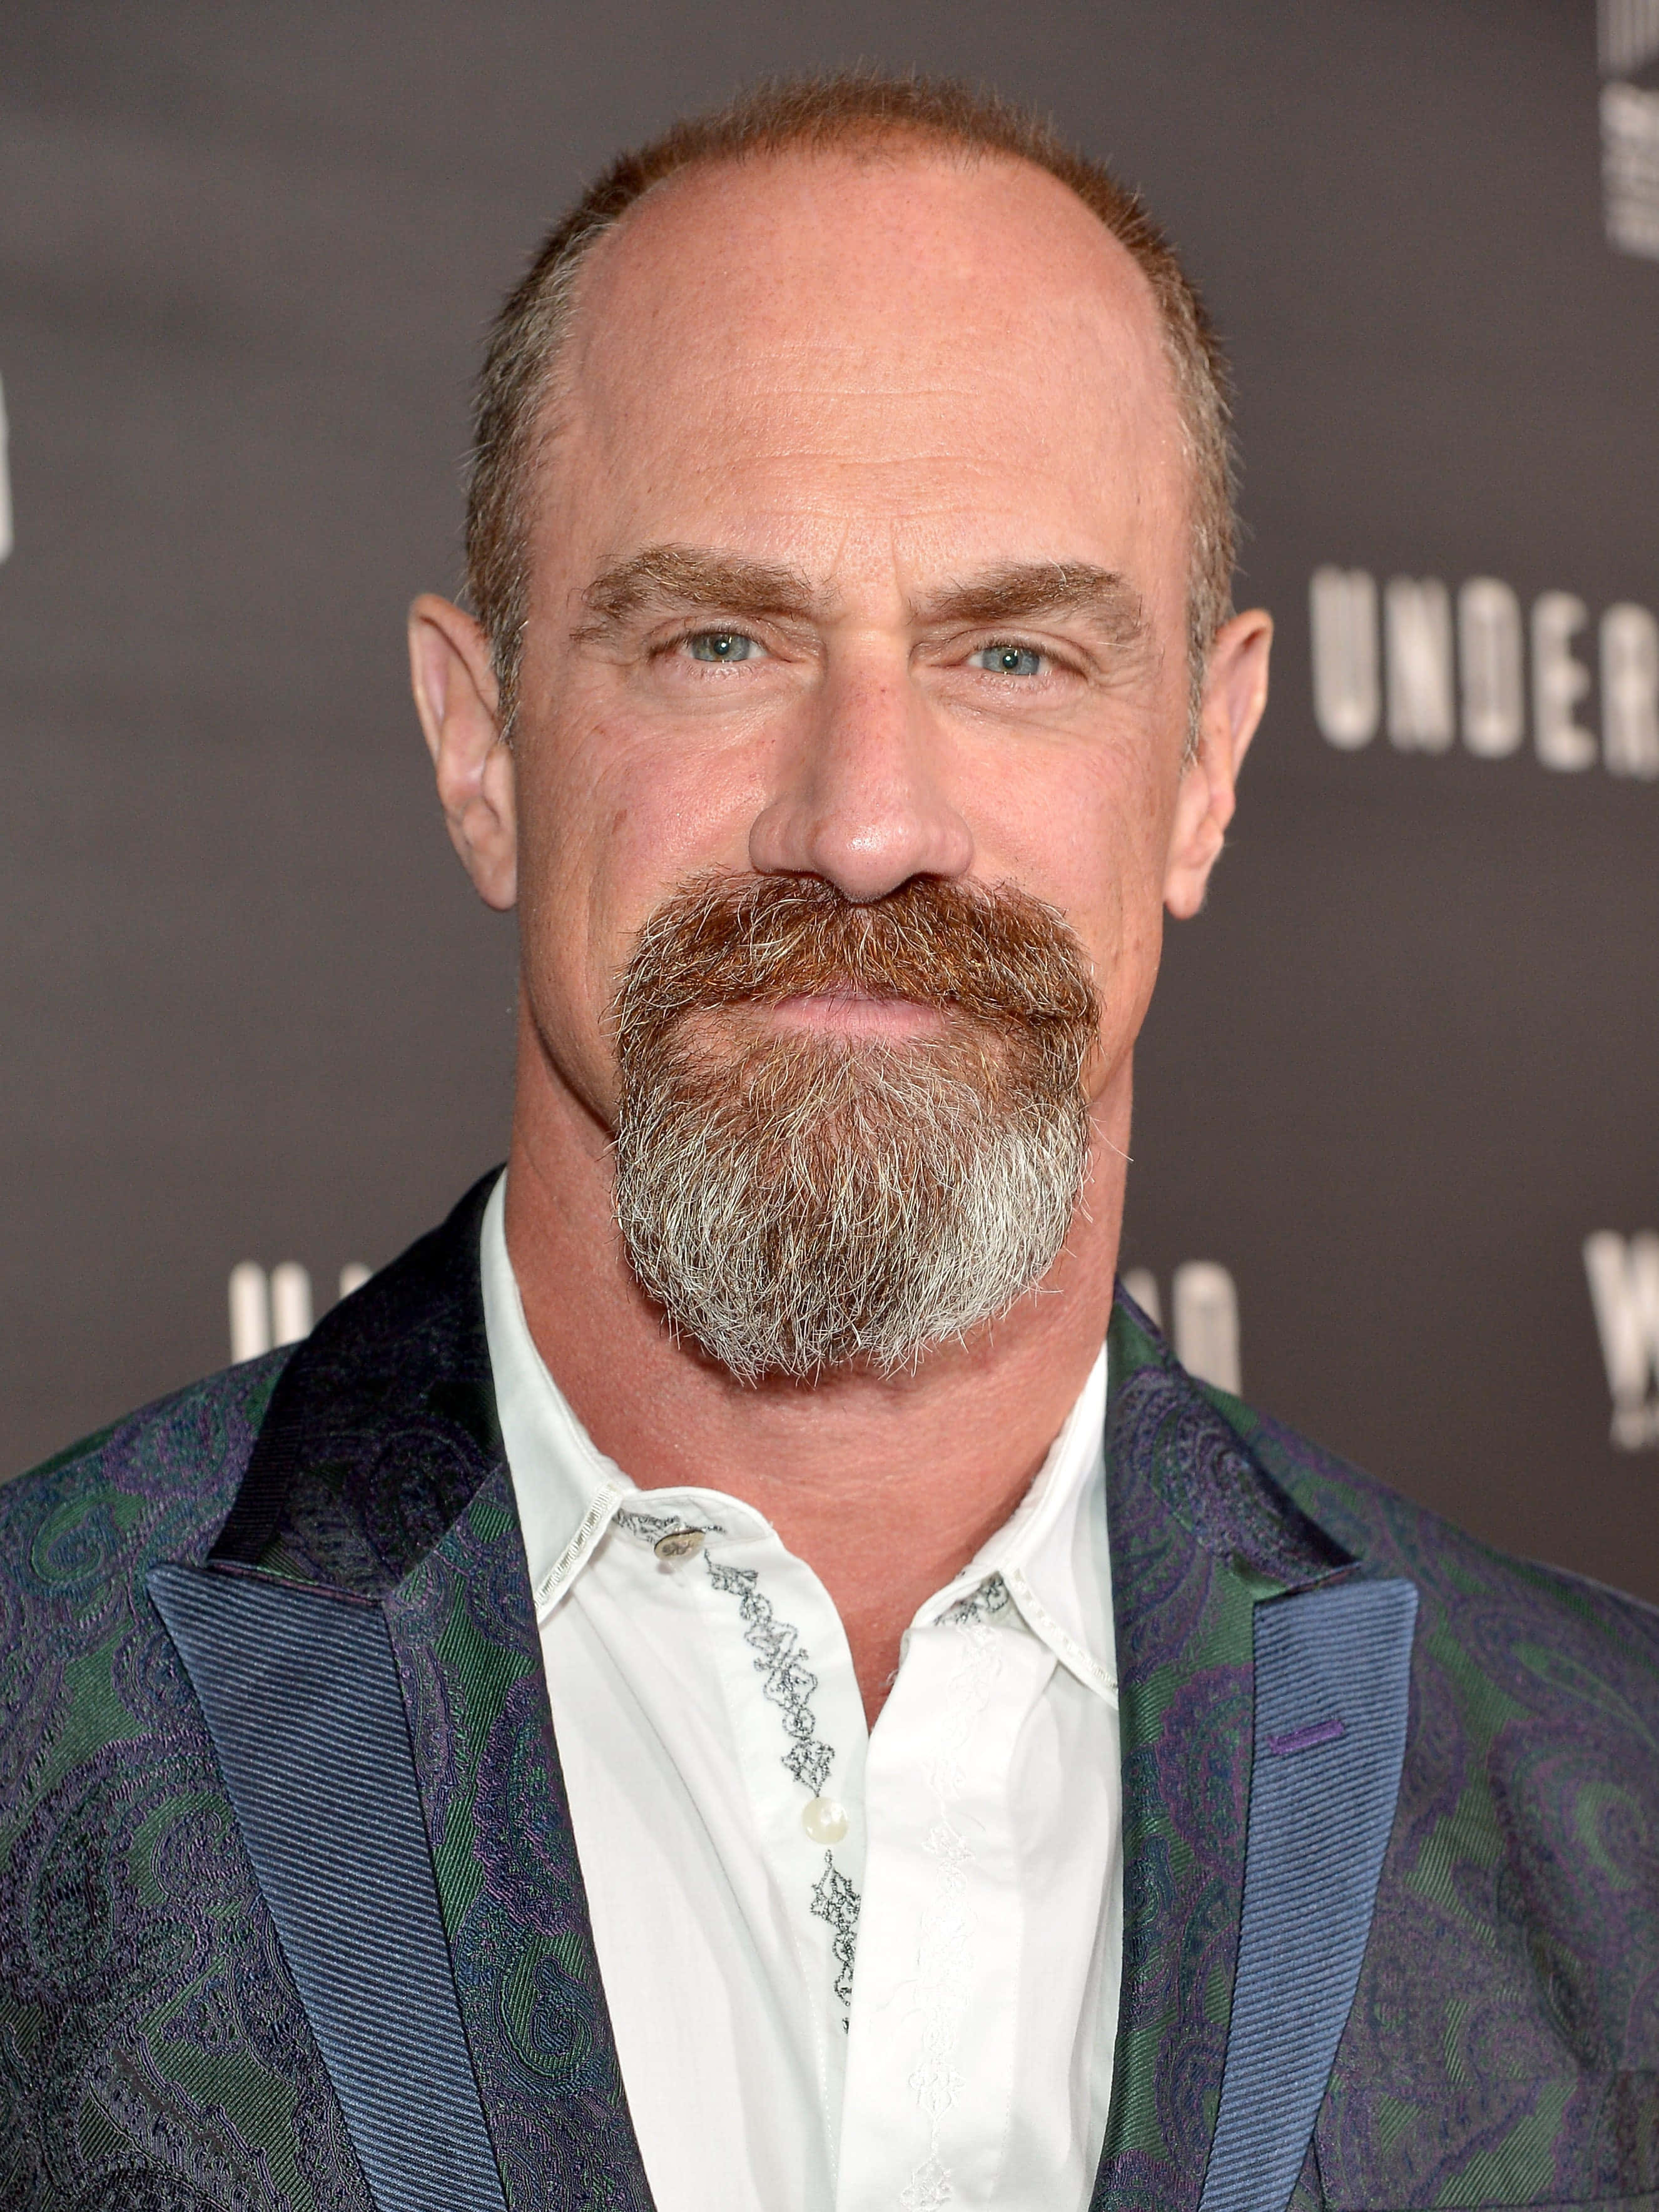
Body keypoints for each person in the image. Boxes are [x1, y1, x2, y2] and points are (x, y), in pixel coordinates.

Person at [2, 70, 1655, 2212]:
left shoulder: (1606, 1801)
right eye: (717, 641)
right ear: (480, 746)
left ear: (1205, 764)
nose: (867, 821)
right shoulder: (37, 1713)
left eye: (1014, 653)